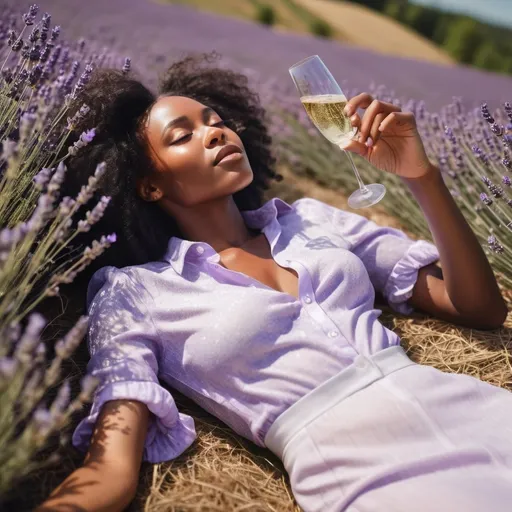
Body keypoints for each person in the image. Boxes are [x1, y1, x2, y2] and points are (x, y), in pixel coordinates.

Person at [36, 53, 510, 512]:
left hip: (470, 410)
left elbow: (480, 310)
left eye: (216, 120)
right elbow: (111, 471)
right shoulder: (133, 292)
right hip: (360, 467)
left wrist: (423, 177)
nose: (215, 133)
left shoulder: (311, 220)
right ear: (147, 185)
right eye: (183, 136)